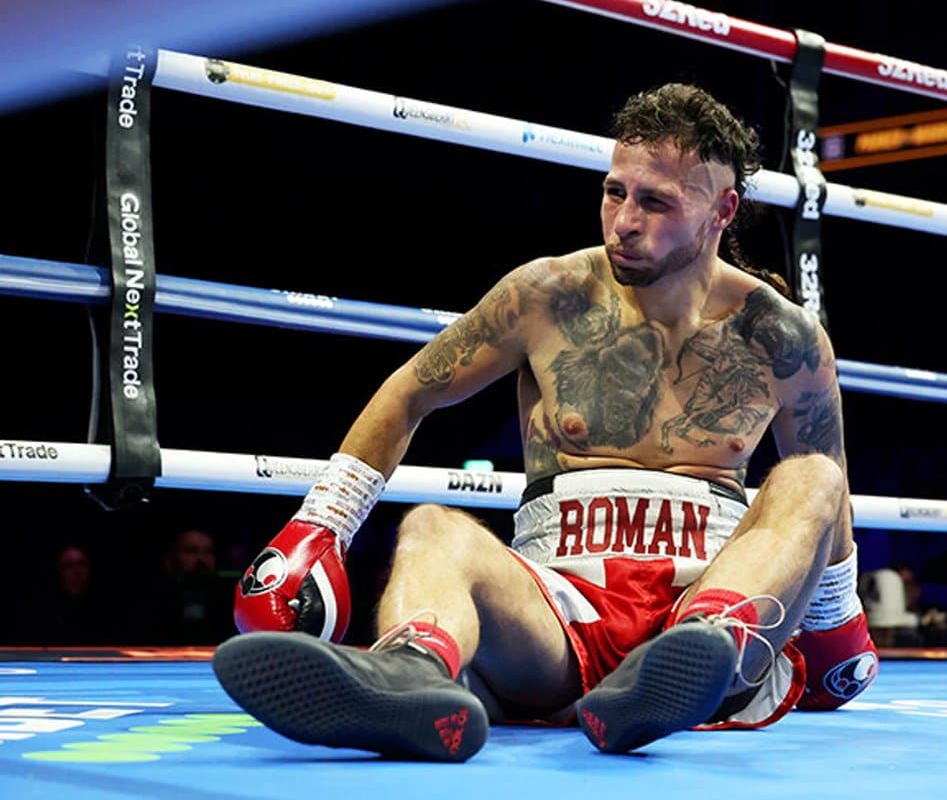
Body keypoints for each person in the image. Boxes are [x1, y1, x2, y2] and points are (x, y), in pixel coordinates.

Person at [212, 82, 878, 762]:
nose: (623, 220)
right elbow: (408, 393)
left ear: (722, 210)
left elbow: (826, 507)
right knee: (431, 525)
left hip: (705, 597)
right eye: (614, 191)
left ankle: (693, 654)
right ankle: (412, 678)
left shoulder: (781, 337)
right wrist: (321, 526)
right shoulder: (546, 297)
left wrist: (833, 621)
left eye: (655, 202)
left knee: (814, 477)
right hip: (558, 611)